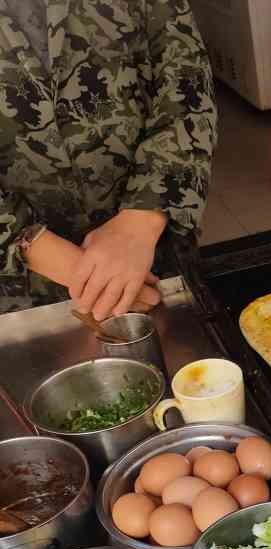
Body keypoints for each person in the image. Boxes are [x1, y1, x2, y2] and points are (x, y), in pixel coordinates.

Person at [0, 0, 217, 318]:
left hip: (151, 257)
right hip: (19, 294)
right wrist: (39, 249)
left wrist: (139, 223)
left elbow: (187, 83)